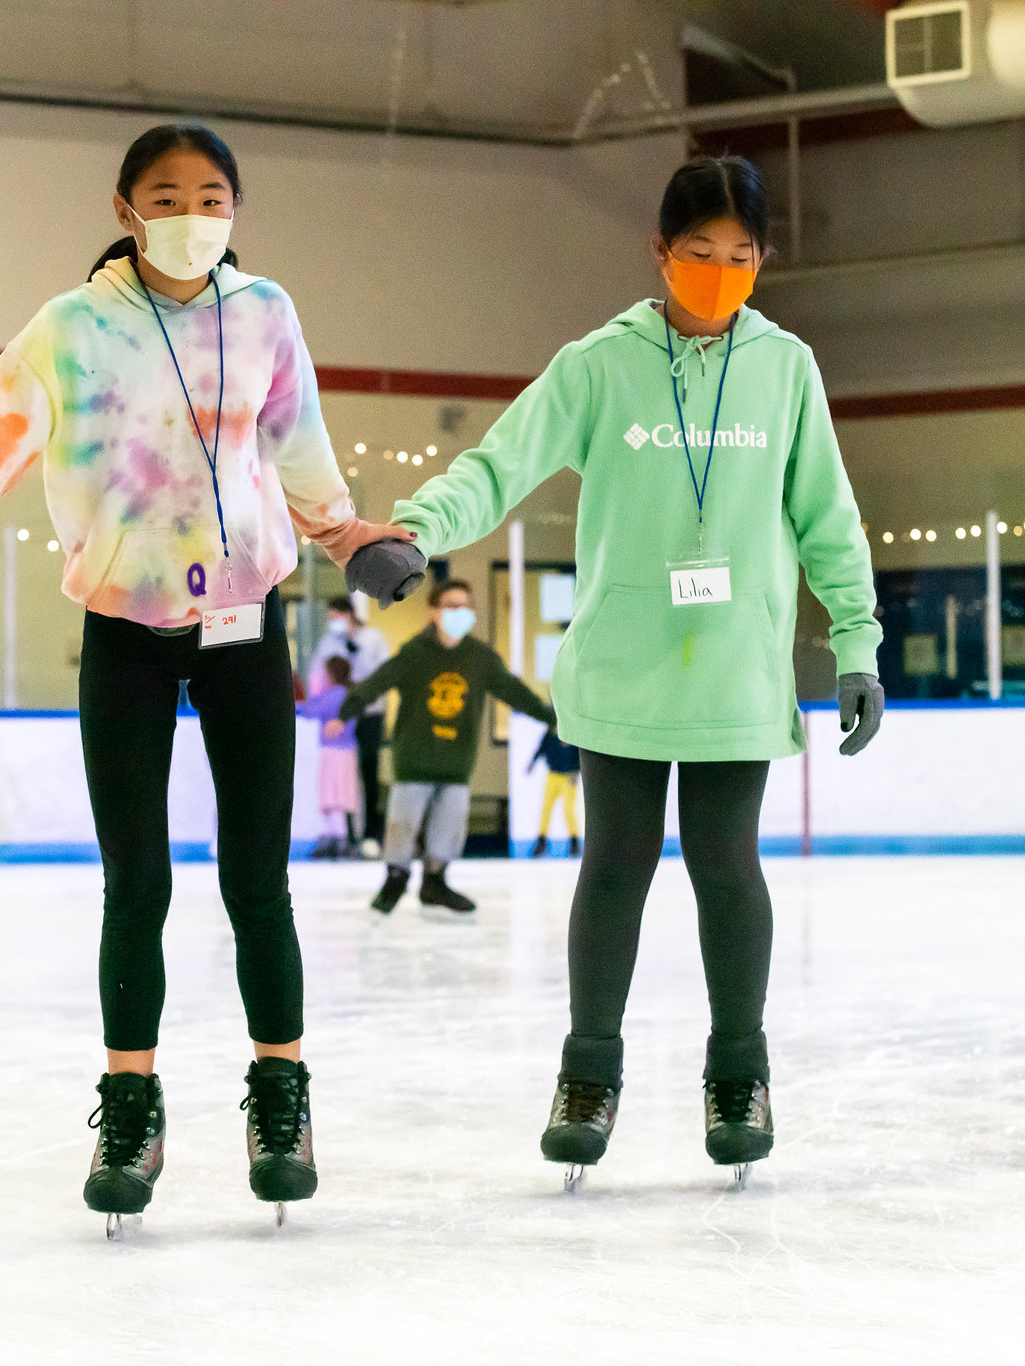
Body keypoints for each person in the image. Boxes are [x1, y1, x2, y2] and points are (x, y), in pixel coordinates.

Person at [0, 124, 409, 1232]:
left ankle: (279, 1098)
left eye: (212, 195)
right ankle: (130, 1105)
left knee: (257, 878)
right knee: (135, 880)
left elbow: (297, 453)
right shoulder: (71, 330)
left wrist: (343, 534)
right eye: (168, 194)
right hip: (126, 626)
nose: (193, 213)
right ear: (126, 206)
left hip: (246, 621)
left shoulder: (266, 315)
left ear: (235, 208)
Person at [381, 155, 884, 1187]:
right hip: (620, 667)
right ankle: (588, 1074)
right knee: (613, 865)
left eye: (739, 257)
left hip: (735, 670)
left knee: (724, 865)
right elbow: (499, 463)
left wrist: (855, 640)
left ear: (762, 261)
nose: (717, 272)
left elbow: (824, 518)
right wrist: (416, 527)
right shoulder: (598, 365)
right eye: (697, 253)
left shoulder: (783, 368)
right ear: (658, 251)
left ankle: (737, 1073)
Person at [338, 578, 556, 922]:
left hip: (456, 762)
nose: (460, 612)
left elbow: (514, 692)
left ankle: (435, 883)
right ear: (433, 612)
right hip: (414, 759)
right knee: (402, 825)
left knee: (449, 826)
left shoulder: (480, 657)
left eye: (465, 606)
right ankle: (395, 879)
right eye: (452, 605)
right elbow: (379, 681)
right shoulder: (414, 653)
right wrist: (345, 712)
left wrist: (551, 717)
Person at [307, 594, 391, 851]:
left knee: (369, 769)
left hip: (368, 713)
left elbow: (383, 675)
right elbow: (317, 677)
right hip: (341, 718)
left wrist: (356, 650)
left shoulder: (373, 639)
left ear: (351, 614)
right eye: (331, 619)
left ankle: (370, 834)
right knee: (342, 776)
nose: (335, 623)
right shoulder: (328, 643)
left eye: (338, 617)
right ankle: (344, 835)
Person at [295, 655, 361, 860]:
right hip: (342, 752)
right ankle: (332, 835)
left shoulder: (336, 694)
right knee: (334, 795)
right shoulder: (344, 693)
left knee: (333, 795)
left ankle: (337, 838)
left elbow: (312, 711)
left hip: (335, 753)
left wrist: (302, 698)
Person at [528, 727, 582, 859]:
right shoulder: (551, 730)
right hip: (553, 775)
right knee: (546, 807)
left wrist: (578, 770)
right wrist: (533, 762)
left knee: (568, 809)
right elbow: (542, 746)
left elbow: (581, 753)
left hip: (570, 775)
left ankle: (574, 841)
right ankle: (542, 840)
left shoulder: (573, 728)